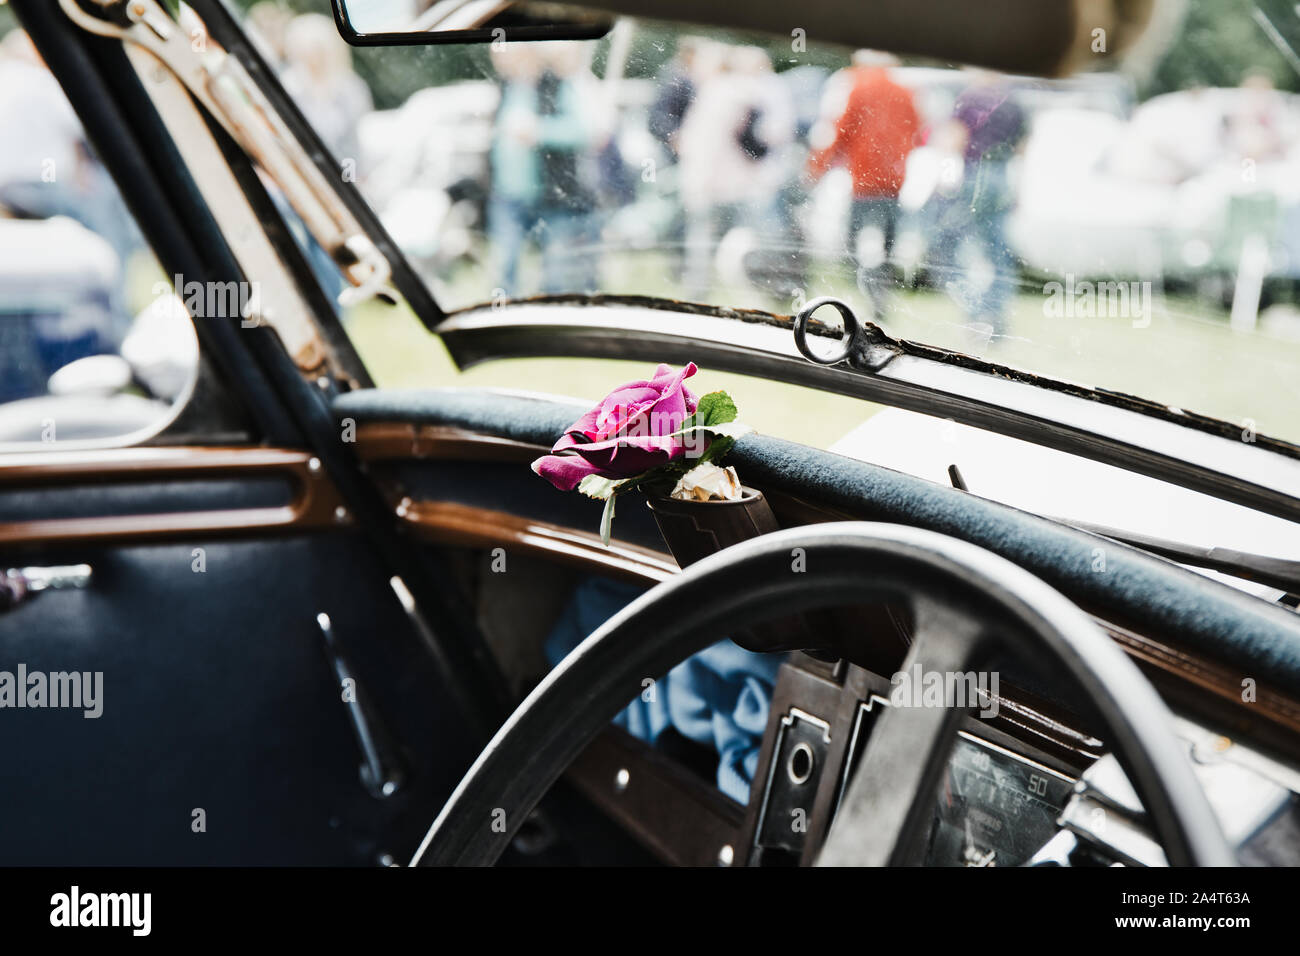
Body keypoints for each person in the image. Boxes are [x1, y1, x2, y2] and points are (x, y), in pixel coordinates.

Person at [807, 51, 920, 318]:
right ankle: (881, 294)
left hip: (864, 177)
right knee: (887, 243)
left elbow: (841, 128)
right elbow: (915, 129)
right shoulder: (906, 91)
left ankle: (868, 293)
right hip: (894, 179)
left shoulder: (855, 85)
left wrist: (819, 165)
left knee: (856, 241)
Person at [927, 72, 1026, 342]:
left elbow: (955, 139)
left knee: (952, 244)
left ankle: (975, 313)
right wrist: (1017, 191)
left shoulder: (970, 98)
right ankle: (996, 318)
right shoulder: (1013, 101)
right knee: (997, 253)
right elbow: (1021, 149)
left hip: (974, 178)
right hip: (1002, 178)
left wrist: (941, 180)